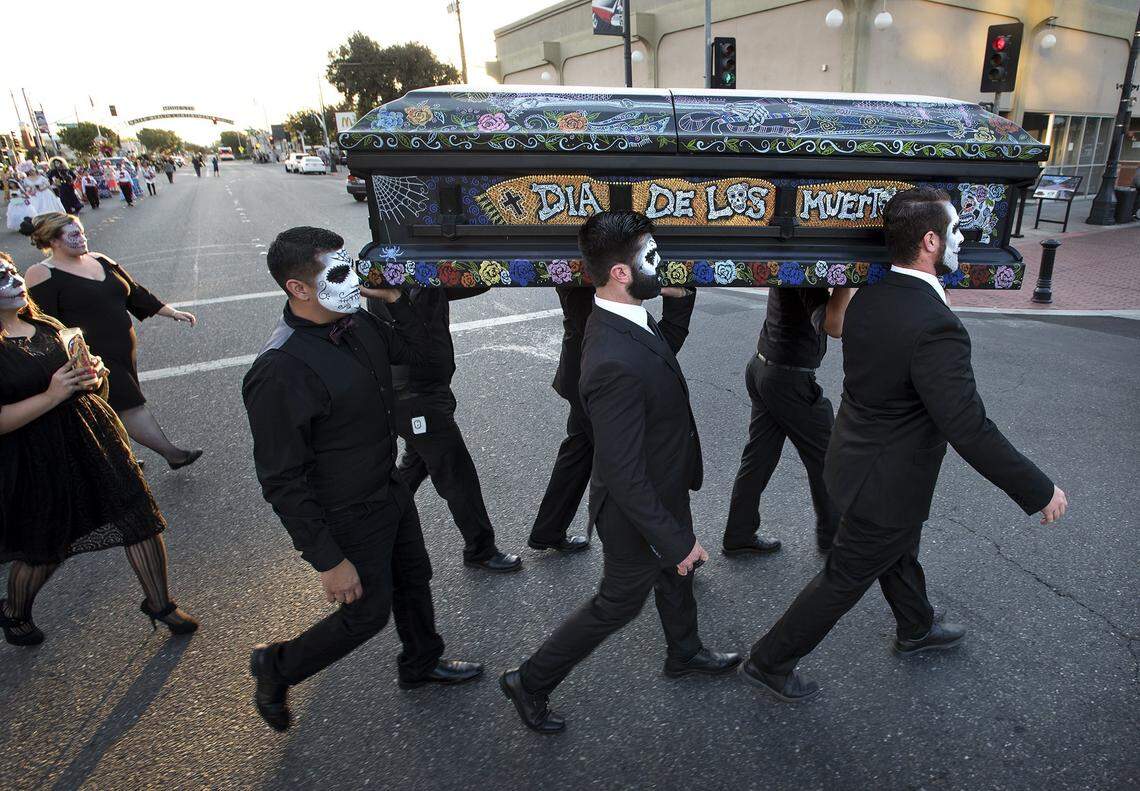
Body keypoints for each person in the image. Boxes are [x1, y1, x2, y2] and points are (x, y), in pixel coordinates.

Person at [740, 187, 1068, 703]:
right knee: (844, 577)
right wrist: (1037, 488)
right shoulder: (934, 325)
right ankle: (769, 660)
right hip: (884, 484)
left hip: (858, 465)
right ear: (931, 241)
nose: (964, 240)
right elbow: (967, 426)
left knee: (898, 550)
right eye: (957, 231)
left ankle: (916, 626)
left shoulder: (872, 296)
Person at [501, 212, 740, 735]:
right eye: (652, 258)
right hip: (635, 507)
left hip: (663, 483)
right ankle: (531, 679)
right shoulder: (610, 357)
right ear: (621, 273)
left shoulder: (623, 317)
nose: (663, 265)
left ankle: (685, 652)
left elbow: (659, 359)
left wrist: (681, 303)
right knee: (620, 600)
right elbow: (621, 470)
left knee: (678, 573)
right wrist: (674, 540)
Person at [243, 227, 483, 732]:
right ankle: (276, 665)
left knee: (415, 578)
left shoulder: (358, 325)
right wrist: (329, 560)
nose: (353, 280)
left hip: (388, 489)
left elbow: (429, 360)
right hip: (346, 511)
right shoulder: (280, 369)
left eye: (351, 265)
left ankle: (421, 664)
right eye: (337, 273)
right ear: (298, 288)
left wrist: (396, 302)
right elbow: (281, 479)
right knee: (366, 614)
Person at [0, 251, 198, 646]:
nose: (12, 277)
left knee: (139, 517)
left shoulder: (44, 324)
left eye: (10, 270)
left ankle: (159, 604)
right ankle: (14, 612)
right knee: (47, 548)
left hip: (92, 435)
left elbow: (83, 383)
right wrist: (54, 393)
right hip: (37, 456)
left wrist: (94, 373)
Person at [22, 213, 203, 469]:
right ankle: (172, 454)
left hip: (124, 351)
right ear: (53, 240)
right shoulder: (41, 273)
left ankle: (121, 460)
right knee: (130, 405)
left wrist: (171, 312)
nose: (82, 238)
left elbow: (135, 292)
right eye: (74, 235)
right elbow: (43, 322)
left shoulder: (100, 259)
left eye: (82, 232)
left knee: (111, 407)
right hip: (91, 356)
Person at [528, 282, 698, 554]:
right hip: (604, 373)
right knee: (636, 468)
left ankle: (548, 529)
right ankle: (663, 554)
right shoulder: (603, 283)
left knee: (580, 450)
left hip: (587, 366)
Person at [371, 285, 522, 572]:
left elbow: (468, 283)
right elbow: (413, 335)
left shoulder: (425, 278)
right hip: (415, 395)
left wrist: (486, 267)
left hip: (427, 389)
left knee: (413, 468)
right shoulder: (394, 283)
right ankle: (480, 549)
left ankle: (375, 535)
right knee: (456, 473)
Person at [721, 286, 853, 556]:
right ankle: (835, 539)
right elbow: (834, 326)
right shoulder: (807, 274)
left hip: (763, 368)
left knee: (759, 457)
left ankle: (739, 533)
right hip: (787, 381)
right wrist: (846, 279)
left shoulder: (793, 262)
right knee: (829, 457)